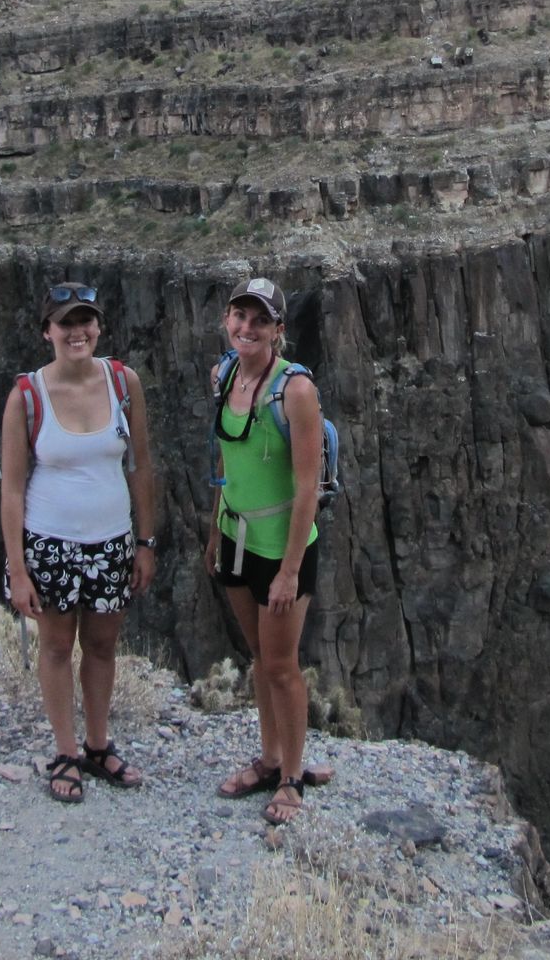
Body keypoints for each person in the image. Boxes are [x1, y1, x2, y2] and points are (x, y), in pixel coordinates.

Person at [0, 283, 159, 803]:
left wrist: (146, 540)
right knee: (54, 646)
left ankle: (97, 744)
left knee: (103, 645)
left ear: (99, 328)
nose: (77, 332)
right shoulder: (27, 395)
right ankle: (65, 752)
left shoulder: (123, 382)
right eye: (66, 323)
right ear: (47, 331)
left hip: (111, 542)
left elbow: (140, 466)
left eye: (86, 321)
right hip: (51, 545)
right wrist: (17, 569)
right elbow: (13, 488)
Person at [206, 276, 321, 824]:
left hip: (281, 551)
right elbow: (228, 466)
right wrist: (214, 532)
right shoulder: (223, 374)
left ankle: (293, 778)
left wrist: (290, 571)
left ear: (278, 330)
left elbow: (308, 487)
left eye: (259, 320)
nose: (246, 328)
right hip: (235, 538)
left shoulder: (295, 391)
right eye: (239, 316)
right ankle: (270, 759)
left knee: (280, 666)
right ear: (228, 320)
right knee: (259, 659)